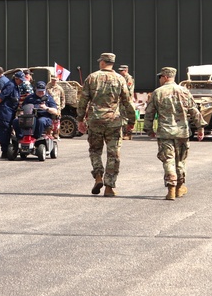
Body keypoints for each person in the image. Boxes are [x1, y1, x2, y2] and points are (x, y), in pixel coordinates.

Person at [76, 52, 136, 196]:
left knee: (95, 151)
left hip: (95, 120)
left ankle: (98, 176)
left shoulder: (92, 77)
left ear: (102, 62)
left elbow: (83, 101)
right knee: (113, 154)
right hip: (113, 121)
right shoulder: (120, 79)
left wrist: (80, 120)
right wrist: (131, 120)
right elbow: (127, 101)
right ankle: (109, 187)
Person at [143, 67, 204, 200]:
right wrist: (200, 127)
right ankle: (180, 187)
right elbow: (194, 110)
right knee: (181, 160)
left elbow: (149, 113)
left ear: (165, 77)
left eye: (160, 77)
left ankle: (171, 189)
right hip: (182, 132)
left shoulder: (157, 92)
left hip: (165, 132)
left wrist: (149, 129)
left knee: (168, 160)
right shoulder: (184, 91)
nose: (159, 80)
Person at [0, 72, 23, 159]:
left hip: (10, 112)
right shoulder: (11, 85)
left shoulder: (16, 86)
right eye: (21, 80)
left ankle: (9, 150)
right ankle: (5, 151)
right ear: (16, 78)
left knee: (8, 130)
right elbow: (1, 97)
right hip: (4, 112)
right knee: (4, 132)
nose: (22, 82)